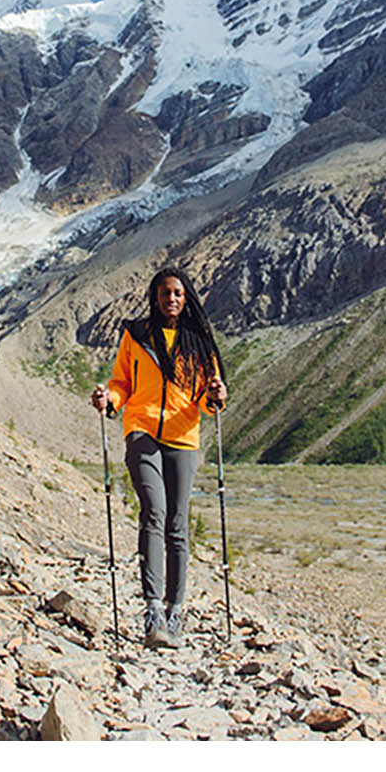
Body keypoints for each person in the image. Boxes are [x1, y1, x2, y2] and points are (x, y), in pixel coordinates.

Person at [90, 266, 227, 648]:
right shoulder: (136, 335)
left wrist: (216, 397)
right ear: (155, 296)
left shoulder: (199, 342)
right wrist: (111, 399)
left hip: (184, 437)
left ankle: (174, 610)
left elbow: (207, 397)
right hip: (142, 429)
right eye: (165, 293)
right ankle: (152, 611)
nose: (171, 299)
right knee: (154, 512)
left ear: (186, 299)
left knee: (177, 525)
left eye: (178, 294)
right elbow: (121, 382)